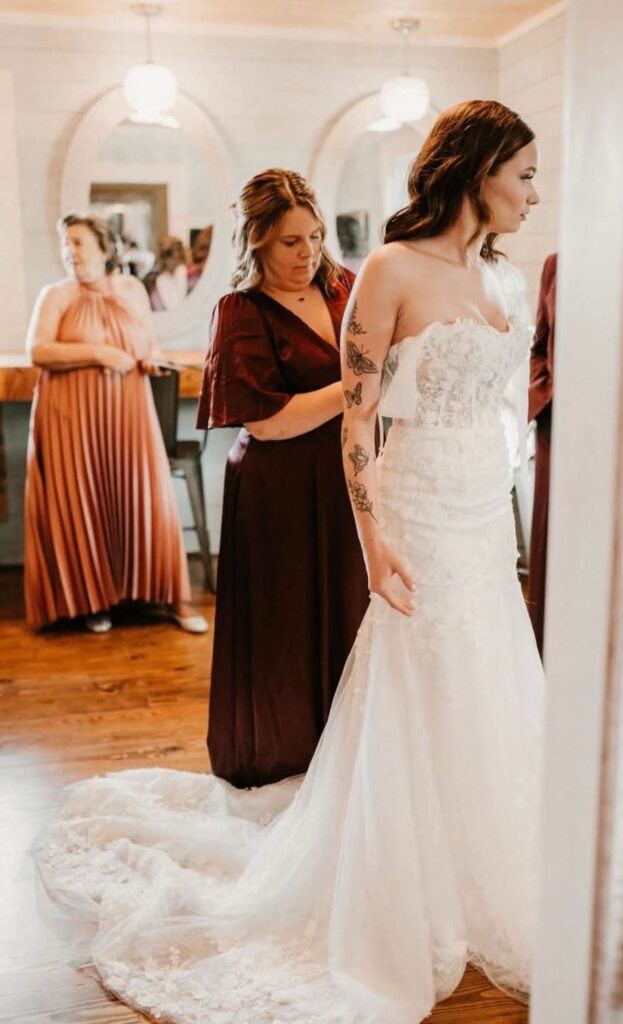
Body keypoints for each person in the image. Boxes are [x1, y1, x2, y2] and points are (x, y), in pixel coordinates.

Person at [35, 101, 544, 1023]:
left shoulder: (499, 277)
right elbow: (357, 413)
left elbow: (493, 400)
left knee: (489, 682)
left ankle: (491, 863)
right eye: (525, 176)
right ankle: (396, 873)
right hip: (410, 508)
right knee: (412, 684)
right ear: (476, 171)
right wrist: (376, 531)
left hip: (481, 514)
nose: (535, 197)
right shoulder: (384, 271)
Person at [197, 169, 369, 786]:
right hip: (275, 488)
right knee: (285, 624)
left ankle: (342, 756)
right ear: (256, 242)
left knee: (346, 610)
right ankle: (281, 758)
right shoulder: (239, 312)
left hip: (343, 477)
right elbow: (266, 422)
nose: (308, 254)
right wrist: (354, 389)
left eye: (315, 237)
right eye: (289, 243)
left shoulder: (345, 287)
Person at [24, 213, 207, 635]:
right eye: (65, 243)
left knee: (148, 499)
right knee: (85, 501)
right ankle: (94, 600)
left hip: (128, 412)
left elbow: (147, 340)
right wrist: (100, 354)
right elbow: (39, 351)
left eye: (78, 243)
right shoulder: (57, 295)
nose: (69, 252)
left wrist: (149, 359)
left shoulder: (131, 289)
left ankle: (173, 600)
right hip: (72, 418)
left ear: (105, 249)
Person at [527, 252, 558, 657]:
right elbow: (540, 344)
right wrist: (545, 396)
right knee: (549, 548)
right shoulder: (554, 265)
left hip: (618, 435)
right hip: (557, 431)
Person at [146, 235, 189, 311]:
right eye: (165, 254)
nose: (167, 258)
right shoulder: (161, 280)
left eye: (170, 253)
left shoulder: (185, 272)